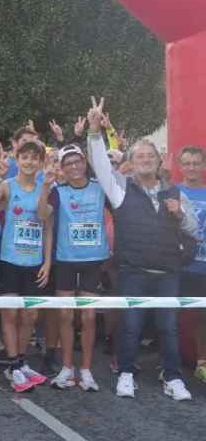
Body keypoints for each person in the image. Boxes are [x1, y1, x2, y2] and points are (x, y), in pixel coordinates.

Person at [85, 98, 198, 401]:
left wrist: (181, 214)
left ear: (159, 162)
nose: (146, 159)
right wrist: (94, 132)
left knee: (168, 328)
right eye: (140, 156)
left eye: (150, 155)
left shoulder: (175, 193)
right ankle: (125, 373)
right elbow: (99, 165)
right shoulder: (120, 189)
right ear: (131, 163)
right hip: (133, 271)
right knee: (131, 326)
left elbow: (193, 231)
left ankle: (172, 377)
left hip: (167, 273)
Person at [39, 144, 109, 392]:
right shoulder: (58, 192)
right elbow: (41, 214)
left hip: (93, 260)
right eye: (68, 164)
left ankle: (87, 370)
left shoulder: (100, 189)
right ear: (63, 169)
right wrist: (46, 186)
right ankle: (67, 367)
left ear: (84, 162)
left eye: (77, 161)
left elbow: (120, 212)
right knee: (66, 315)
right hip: (66, 259)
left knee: (88, 316)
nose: (74, 167)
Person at [0, 142, 51, 392]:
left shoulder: (45, 185)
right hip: (9, 259)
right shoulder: (7, 185)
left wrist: (47, 261)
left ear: (41, 162)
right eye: (25, 157)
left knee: (30, 315)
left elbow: (45, 223)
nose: (29, 162)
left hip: (34, 262)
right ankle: (13, 364)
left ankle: (21, 362)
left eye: (35, 158)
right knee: (10, 313)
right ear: (17, 159)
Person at [175, 146, 206, 383]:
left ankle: (202, 363)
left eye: (196, 163)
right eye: (187, 163)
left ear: (203, 165)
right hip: (180, 266)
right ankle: (170, 363)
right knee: (172, 316)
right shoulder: (173, 192)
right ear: (180, 165)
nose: (192, 167)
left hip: (204, 267)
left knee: (203, 317)